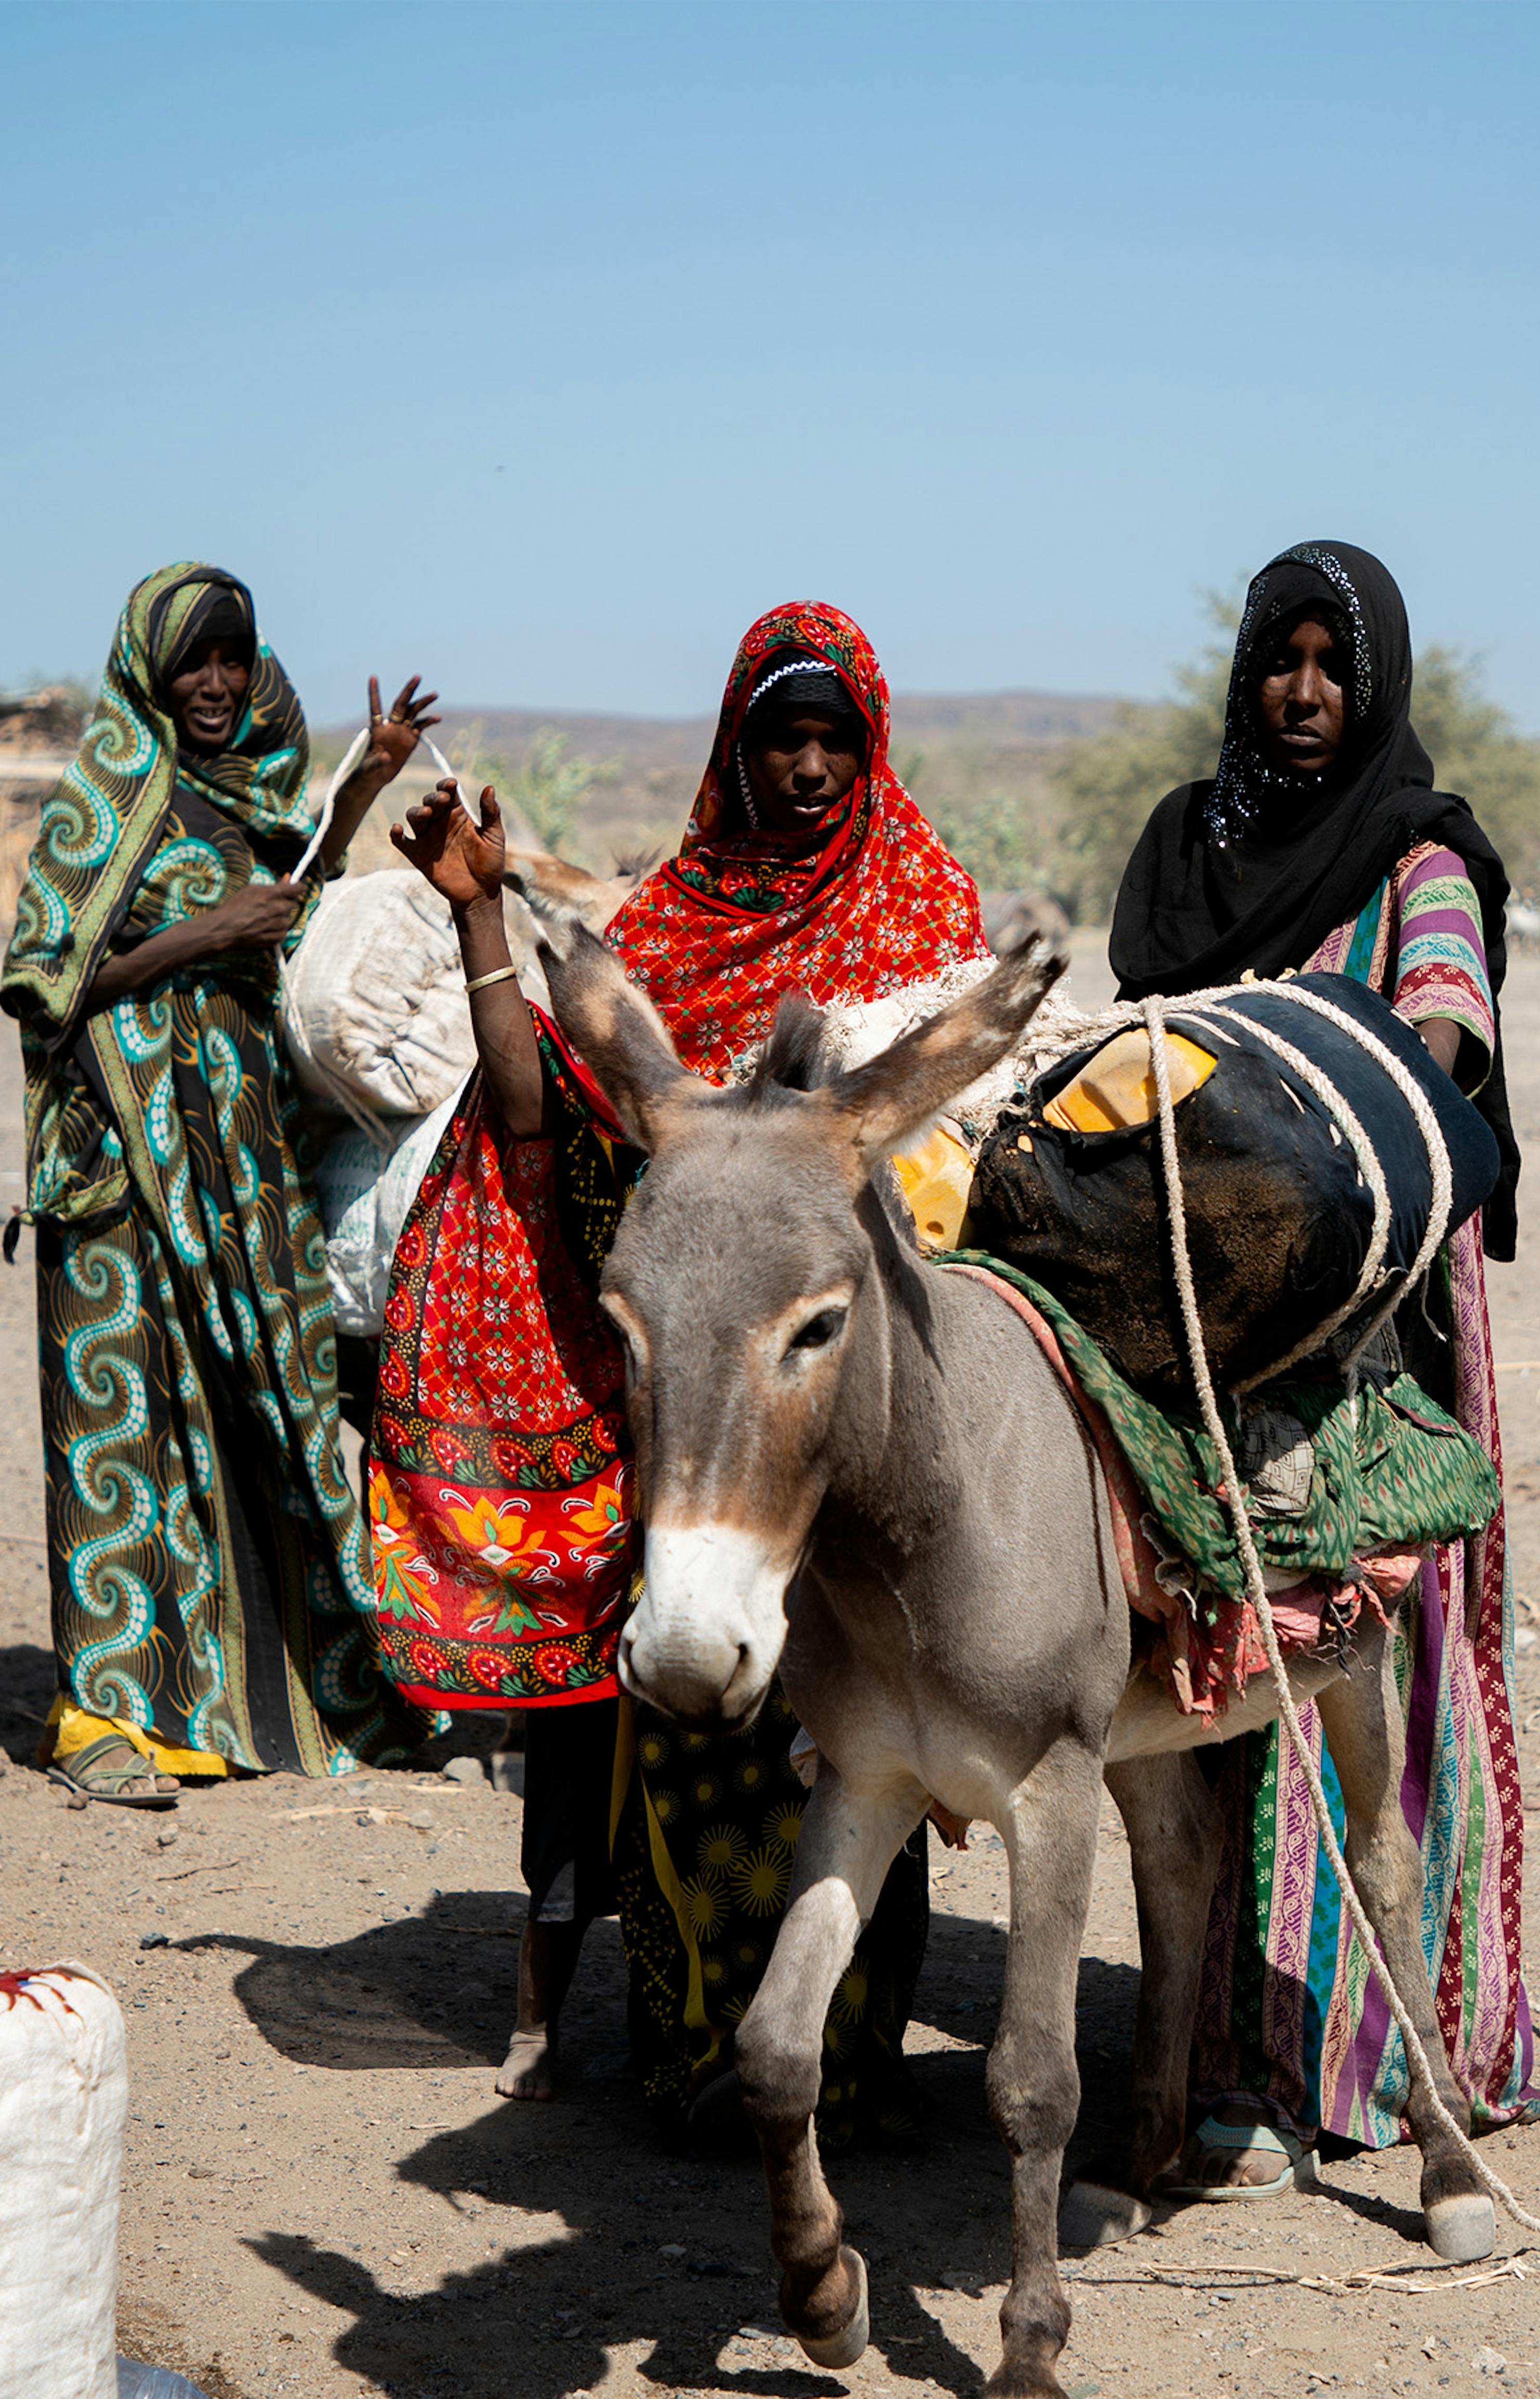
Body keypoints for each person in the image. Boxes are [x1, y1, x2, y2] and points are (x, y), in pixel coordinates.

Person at [372, 602, 983, 2119]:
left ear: (874, 748)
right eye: (780, 735)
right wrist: (479, 923)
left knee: (850, 1740)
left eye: (837, 737)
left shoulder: (925, 914)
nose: (809, 765)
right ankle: (698, 2054)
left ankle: (840, 2066)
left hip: (845, 1425)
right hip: (698, 1427)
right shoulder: (665, 932)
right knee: (694, 1731)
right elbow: (539, 1120)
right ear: (735, 746)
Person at [1104, 539, 1540, 2200]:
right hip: (1211, 1309)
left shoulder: (1422, 857)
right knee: (1215, 1657)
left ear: (1378, 685)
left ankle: (1403, 2061)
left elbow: (1436, 1046)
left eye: (1331, 665)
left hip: (1376, 1319)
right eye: (1278, 662)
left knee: (1387, 1663)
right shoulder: (1185, 843)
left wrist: (1317, 1151)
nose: (1301, 695)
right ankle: (1227, 2063)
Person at [0, 561, 440, 1805]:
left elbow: (285, 913)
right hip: (119, 1162)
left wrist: (358, 790)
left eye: (231, 658)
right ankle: (105, 1717)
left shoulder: (249, 791)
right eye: (191, 660)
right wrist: (204, 937)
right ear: (147, 668)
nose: (212, 682)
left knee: (260, 1408)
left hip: (242, 1159)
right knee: (121, 1427)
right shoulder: (106, 801)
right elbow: (43, 975)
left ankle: (289, 1690)